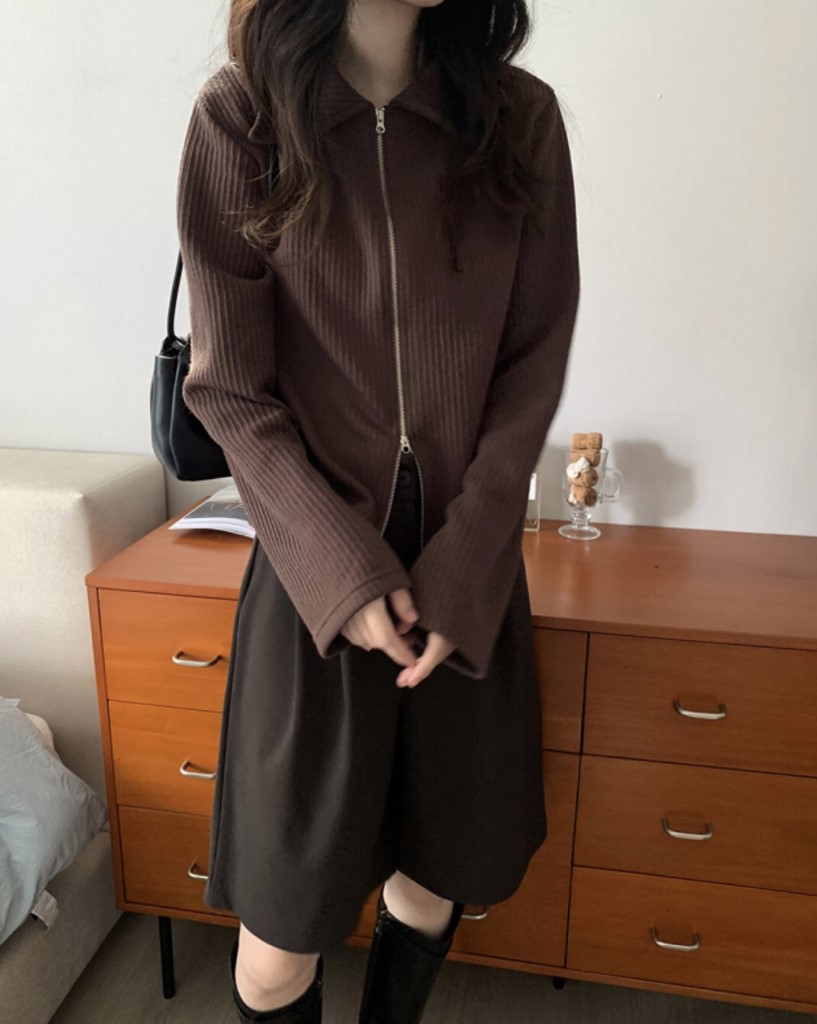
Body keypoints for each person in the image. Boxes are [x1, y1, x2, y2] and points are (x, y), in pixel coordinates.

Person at [175, 0, 580, 1020]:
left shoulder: (519, 118)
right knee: (279, 945)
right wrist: (342, 572)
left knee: (433, 884)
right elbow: (230, 390)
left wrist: (469, 560)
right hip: (315, 580)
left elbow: (531, 364)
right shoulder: (242, 119)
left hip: (464, 578)